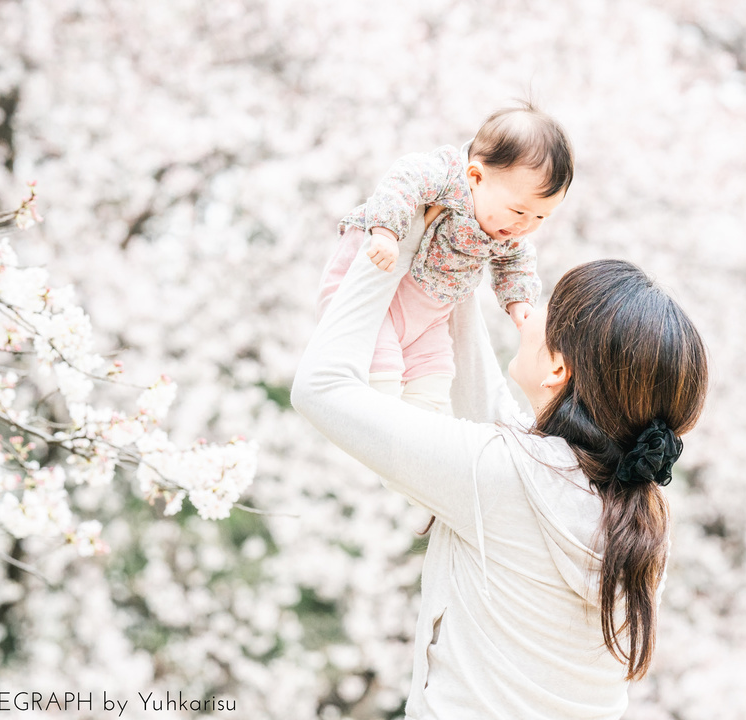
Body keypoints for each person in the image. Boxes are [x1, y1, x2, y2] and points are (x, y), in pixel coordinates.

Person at [292, 210, 708, 718]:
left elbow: (320, 389)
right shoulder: (640, 510)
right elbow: (493, 417)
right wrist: (458, 251)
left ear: (559, 367)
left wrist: (389, 243)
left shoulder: (505, 478)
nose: (527, 315)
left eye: (544, 311)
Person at [317, 103, 574, 414]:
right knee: (381, 376)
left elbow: (517, 262)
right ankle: (381, 425)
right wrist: (385, 233)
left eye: (540, 216)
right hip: (374, 294)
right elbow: (402, 182)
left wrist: (519, 303)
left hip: (428, 314)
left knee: (435, 381)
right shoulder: (445, 177)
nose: (525, 225)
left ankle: (415, 441)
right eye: (519, 210)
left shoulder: (508, 231)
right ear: (476, 177)